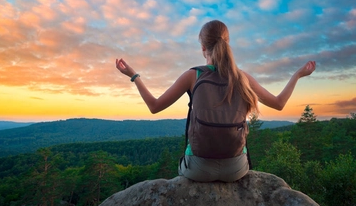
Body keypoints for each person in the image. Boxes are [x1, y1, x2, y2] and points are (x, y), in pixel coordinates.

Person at [116, 20, 316, 182]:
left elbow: (154, 106)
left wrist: (134, 76)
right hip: (236, 169)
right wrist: (297, 75)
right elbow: (279, 103)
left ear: (203, 47)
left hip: (197, 170)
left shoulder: (193, 75)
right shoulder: (242, 77)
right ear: (227, 43)